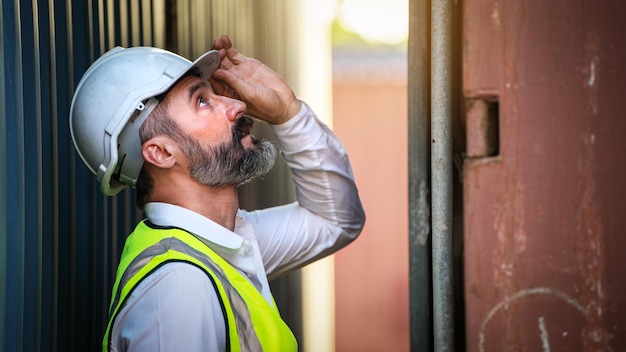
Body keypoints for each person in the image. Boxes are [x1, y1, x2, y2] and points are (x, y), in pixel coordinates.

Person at [70, 35, 365, 351]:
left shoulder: (221, 244)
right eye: (201, 101)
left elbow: (333, 220)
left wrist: (288, 112)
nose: (237, 105)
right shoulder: (177, 288)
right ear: (161, 153)